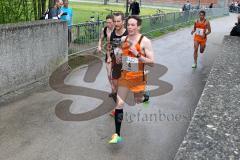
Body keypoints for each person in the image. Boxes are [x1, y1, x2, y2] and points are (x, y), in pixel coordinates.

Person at [108, 15, 154, 144]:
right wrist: (118, 56)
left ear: (138, 26)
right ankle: (117, 134)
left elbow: (152, 62)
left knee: (137, 100)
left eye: (133, 25)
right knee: (120, 104)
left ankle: (145, 97)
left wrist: (138, 54)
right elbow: (121, 53)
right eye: (128, 25)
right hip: (125, 76)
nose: (130, 27)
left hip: (138, 78)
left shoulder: (145, 41)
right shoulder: (124, 38)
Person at [108, 12, 128, 111]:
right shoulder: (113, 34)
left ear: (123, 22)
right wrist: (110, 57)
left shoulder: (128, 33)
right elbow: (111, 47)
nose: (116, 23)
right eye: (115, 21)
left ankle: (117, 109)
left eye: (118, 21)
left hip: (127, 62)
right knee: (115, 84)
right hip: (116, 62)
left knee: (122, 87)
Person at [97, 15, 115, 97]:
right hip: (109, 53)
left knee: (117, 75)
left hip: (118, 54)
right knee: (109, 74)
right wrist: (99, 46)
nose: (108, 24)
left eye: (110, 22)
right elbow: (101, 39)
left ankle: (118, 91)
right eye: (107, 22)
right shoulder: (104, 30)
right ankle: (113, 90)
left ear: (113, 22)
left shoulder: (118, 30)